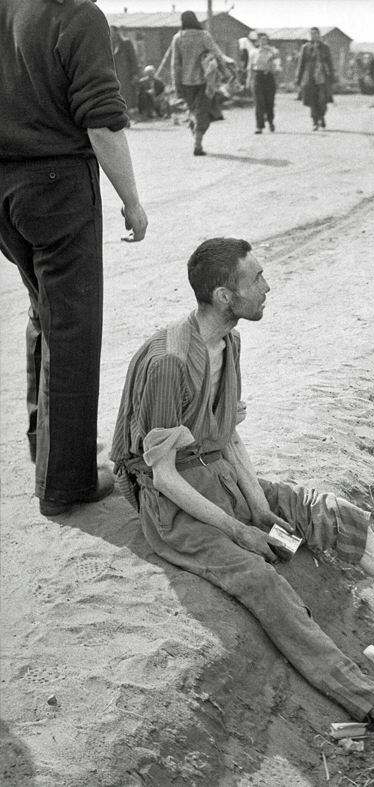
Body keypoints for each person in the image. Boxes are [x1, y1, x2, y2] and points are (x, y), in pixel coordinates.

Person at [110, 237, 374, 761]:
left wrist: (259, 508)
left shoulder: (227, 342)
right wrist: (238, 530)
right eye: (255, 280)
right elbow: (161, 476)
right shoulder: (168, 362)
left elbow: (227, 435)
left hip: (222, 479)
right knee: (263, 581)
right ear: (224, 296)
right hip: (175, 506)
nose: (267, 287)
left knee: (329, 514)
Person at [0, 0, 148, 517]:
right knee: (73, 333)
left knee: (45, 316)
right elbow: (103, 122)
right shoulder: (78, 15)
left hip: (7, 193)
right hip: (57, 188)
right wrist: (132, 200)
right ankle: (68, 483)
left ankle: (51, 454)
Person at [171, 10, 234, 156]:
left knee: (194, 111)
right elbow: (217, 54)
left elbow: (175, 64)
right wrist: (226, 73)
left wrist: (176, 85)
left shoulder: (178, 38)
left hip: (186, 82)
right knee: (201, 111)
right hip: (205, 81)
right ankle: (197, 143)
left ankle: (196, 139)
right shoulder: (204, 36)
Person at [296, 27, 335, 130]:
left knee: (322, 99)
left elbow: (330, 63)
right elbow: (301, 64)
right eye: (312, 34)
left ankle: (321, 115)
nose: (314, 35)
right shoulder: (306, 47)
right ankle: (315, 121)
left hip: (322, 76)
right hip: (309, 76)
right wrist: (298, 78)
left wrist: (332, 76)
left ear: (319, 35)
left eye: (316, 33)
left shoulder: (325, 47)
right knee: (312, 99)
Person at [247, 32, 280, 134]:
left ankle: (270, 121)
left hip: (269, 77)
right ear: (258, 41)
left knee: (269, 102)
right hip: (258, 77)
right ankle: (259, 126)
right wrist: (248, 80)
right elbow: (250, 67)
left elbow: (277, 65)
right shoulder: (253, 52)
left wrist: (275, 68)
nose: (263, 42)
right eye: (261, 40)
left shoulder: (273, 51)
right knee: (259, 102)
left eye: (265, 40)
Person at [110, 26, 139, 115]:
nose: (111, 34)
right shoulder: (109, 44)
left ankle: (126, 116)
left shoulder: (125, 42)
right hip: (114, 74)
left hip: (125, 74)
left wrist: (135, 73)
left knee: (126, 95)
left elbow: (133, 59)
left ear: (116, 32)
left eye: (112, 32)